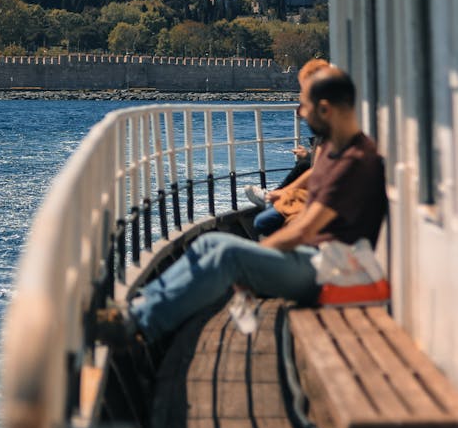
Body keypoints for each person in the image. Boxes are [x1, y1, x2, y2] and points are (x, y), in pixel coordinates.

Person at [96, 66, 387, 347]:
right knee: (209, 243)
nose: (300, 113)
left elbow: (305, 229)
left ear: (325, 110)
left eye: (304, 106)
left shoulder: (354, 162)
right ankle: (137, 307)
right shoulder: (338, 152)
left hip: (330, 272)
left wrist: (256, 258)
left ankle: (136, 324)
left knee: (228, 256)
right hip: (315, 259)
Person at [244, 58, 331, 235]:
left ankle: (272, 198)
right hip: (316, 203)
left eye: (305, 100)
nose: (301, 113)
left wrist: (286, 193)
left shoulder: (334, 134)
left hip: (319, 210)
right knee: (304, 163)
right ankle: (273, 198)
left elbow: (318, 171)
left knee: (263, 222)